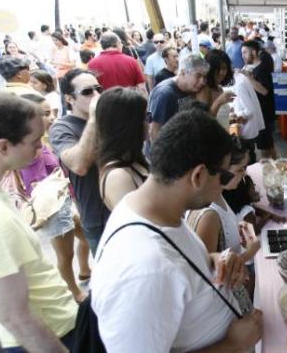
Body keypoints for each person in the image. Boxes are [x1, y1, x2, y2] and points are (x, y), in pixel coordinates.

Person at [90, 108, 263, 352]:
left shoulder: (158, 213)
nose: (225, 185)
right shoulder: (144, 269)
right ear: (199, 175)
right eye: (223, 176)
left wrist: (214, 261)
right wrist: (233, 344)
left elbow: (181, 268)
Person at [0, 91, 77, 352]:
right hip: (52, 336)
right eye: (34, 140)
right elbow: (15, 315)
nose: (40, 146)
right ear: (3, 147)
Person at [16, 94, 89, 303]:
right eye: (46, 114)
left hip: (63, 201)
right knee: (65, 256)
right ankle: (74, 292)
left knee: (85, 236)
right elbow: (35, 184)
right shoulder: (33, 149)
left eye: (53, 113)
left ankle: (84, 270)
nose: (52, 118)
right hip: (53, 207)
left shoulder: (42, 142)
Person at [188, 137, 260, 312]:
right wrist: (250, 252)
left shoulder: (218, 196)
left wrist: (236, 226)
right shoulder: (209, 216)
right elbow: (210, 275)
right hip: (226, 305)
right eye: (239, 169)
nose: (244, 174)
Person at [49, 69, 110, 254]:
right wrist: (93, 118)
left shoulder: (107, 118)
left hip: (125, 208)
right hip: (98, 218)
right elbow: (79, 165)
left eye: (98, 89)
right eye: (87, 92)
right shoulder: (61, 128)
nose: (97, 95)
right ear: (69, 98)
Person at [96, 87, 150, 210]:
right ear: (130, 125)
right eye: (145, 116)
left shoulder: (133, 160)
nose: (149, 122)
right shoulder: (118, 176)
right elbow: (134, 224)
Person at [148, 55, 209, 142]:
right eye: (198, 76)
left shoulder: (192, 89)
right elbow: (154, 131)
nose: (202, 82)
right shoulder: (164, 93)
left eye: (204, 77)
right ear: (183, 73)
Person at [241, 40, 276, 159]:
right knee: (266, 147)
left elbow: (264, 90)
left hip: (265, 113)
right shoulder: (254, 68)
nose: (243, 56)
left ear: (254, 52)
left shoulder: (262, 69)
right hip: (260, 113)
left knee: (266, 149)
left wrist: (248, 78)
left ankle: (273, 172)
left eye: (245, 52)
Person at [196, 49, 236, 116]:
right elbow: (203, 119)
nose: (221, 72)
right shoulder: (204, 89)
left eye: (224, 68)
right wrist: (219, 101)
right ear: (210, 69)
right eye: (217, 68)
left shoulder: (219, 88)